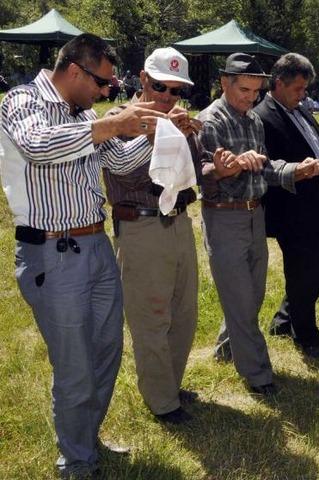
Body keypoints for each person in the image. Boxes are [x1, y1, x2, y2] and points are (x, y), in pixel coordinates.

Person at [0, 33, 168, 478]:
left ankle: (84, 438)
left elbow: (119, 161)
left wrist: (158, 132)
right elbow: (38, 146)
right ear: (75, 69)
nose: (106, 92)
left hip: (94, 245)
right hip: (53, 252)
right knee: (74, 364)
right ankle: (75, 461)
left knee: (105, 351)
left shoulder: (83, 114)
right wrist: (112, 123)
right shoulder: (22, 101)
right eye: (103, 83)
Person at [102, 47, 202, 425]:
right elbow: (120, 167)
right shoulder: (118, 118)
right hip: (141, 224)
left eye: (175, 91)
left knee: (184, 312)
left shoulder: (176, 118)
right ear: (143, 79)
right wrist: (161, 130)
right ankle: (161, 401)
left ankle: (170, 384)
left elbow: (193, 172)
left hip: (178, 221)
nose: (166, 96)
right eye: (160, 86)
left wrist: (195, 143)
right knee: (151, 316)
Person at [197, 53, 304, 396]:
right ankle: (258, 374)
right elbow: (203, 178)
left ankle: (228, 348)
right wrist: (230, 168)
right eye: (244, 89)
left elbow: (265, 167)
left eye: (256, 92)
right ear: (224, 82)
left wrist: (294, 170)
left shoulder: (252, 121)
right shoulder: (209, 122)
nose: (251, 98)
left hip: (254, 213)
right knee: (241, 298)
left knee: (252, 293)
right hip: (224, 215)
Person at [254, 53, 319, 359]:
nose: (303, 94)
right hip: (291, 209)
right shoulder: (263, 116)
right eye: (298, 88)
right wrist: (301, 168)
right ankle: (306, 338)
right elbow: (270, 165)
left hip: (318, 205)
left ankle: (284, 320)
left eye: (305, 88)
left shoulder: (300, 111)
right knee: (303, 273)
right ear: (278, 83)